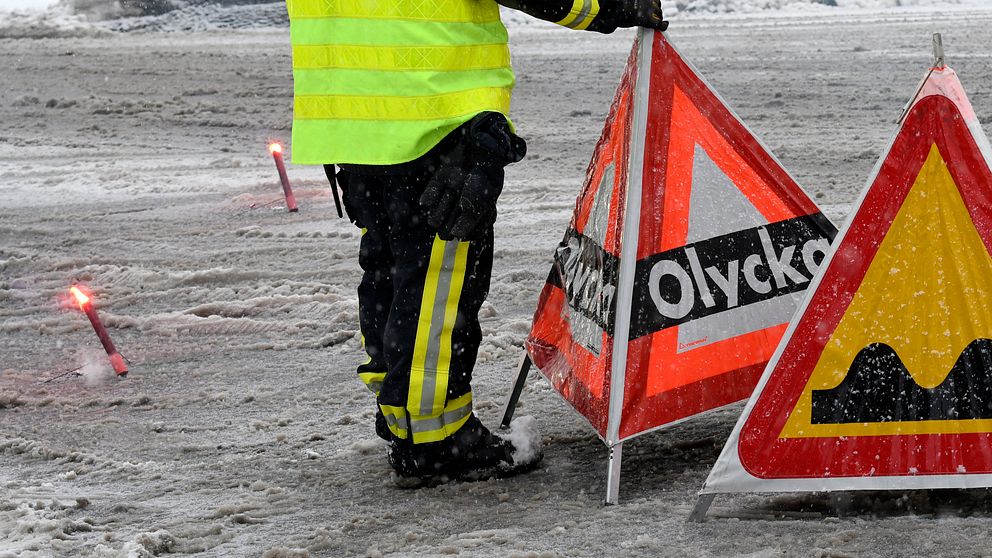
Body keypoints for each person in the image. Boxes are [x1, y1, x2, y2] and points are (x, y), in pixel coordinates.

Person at [285, 0, 668, 483]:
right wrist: (606, 7)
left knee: (389, 272)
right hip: (433, 111)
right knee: (437, 285)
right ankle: (434, 442)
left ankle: (402, 413)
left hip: (353, 113)